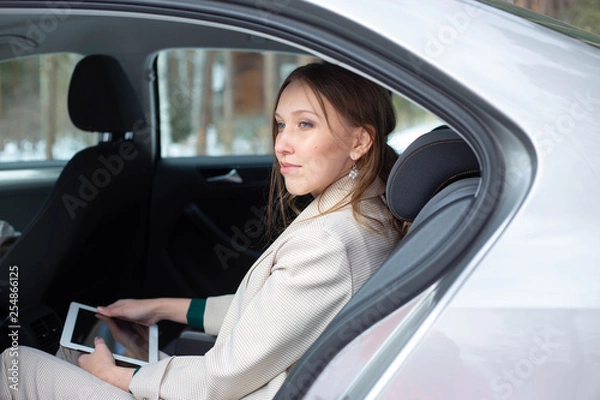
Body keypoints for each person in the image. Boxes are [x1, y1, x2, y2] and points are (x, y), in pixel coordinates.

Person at [0, 62, 406, 399]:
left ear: (359, 141)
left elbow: (222, 377)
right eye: (281, 125)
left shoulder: (328, 243)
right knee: (72, 353)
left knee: (14, 364)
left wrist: (122, 379)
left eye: (305, 125)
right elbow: (273, 312)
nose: (282, 143)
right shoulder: (367, 210)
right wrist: (162, 308)